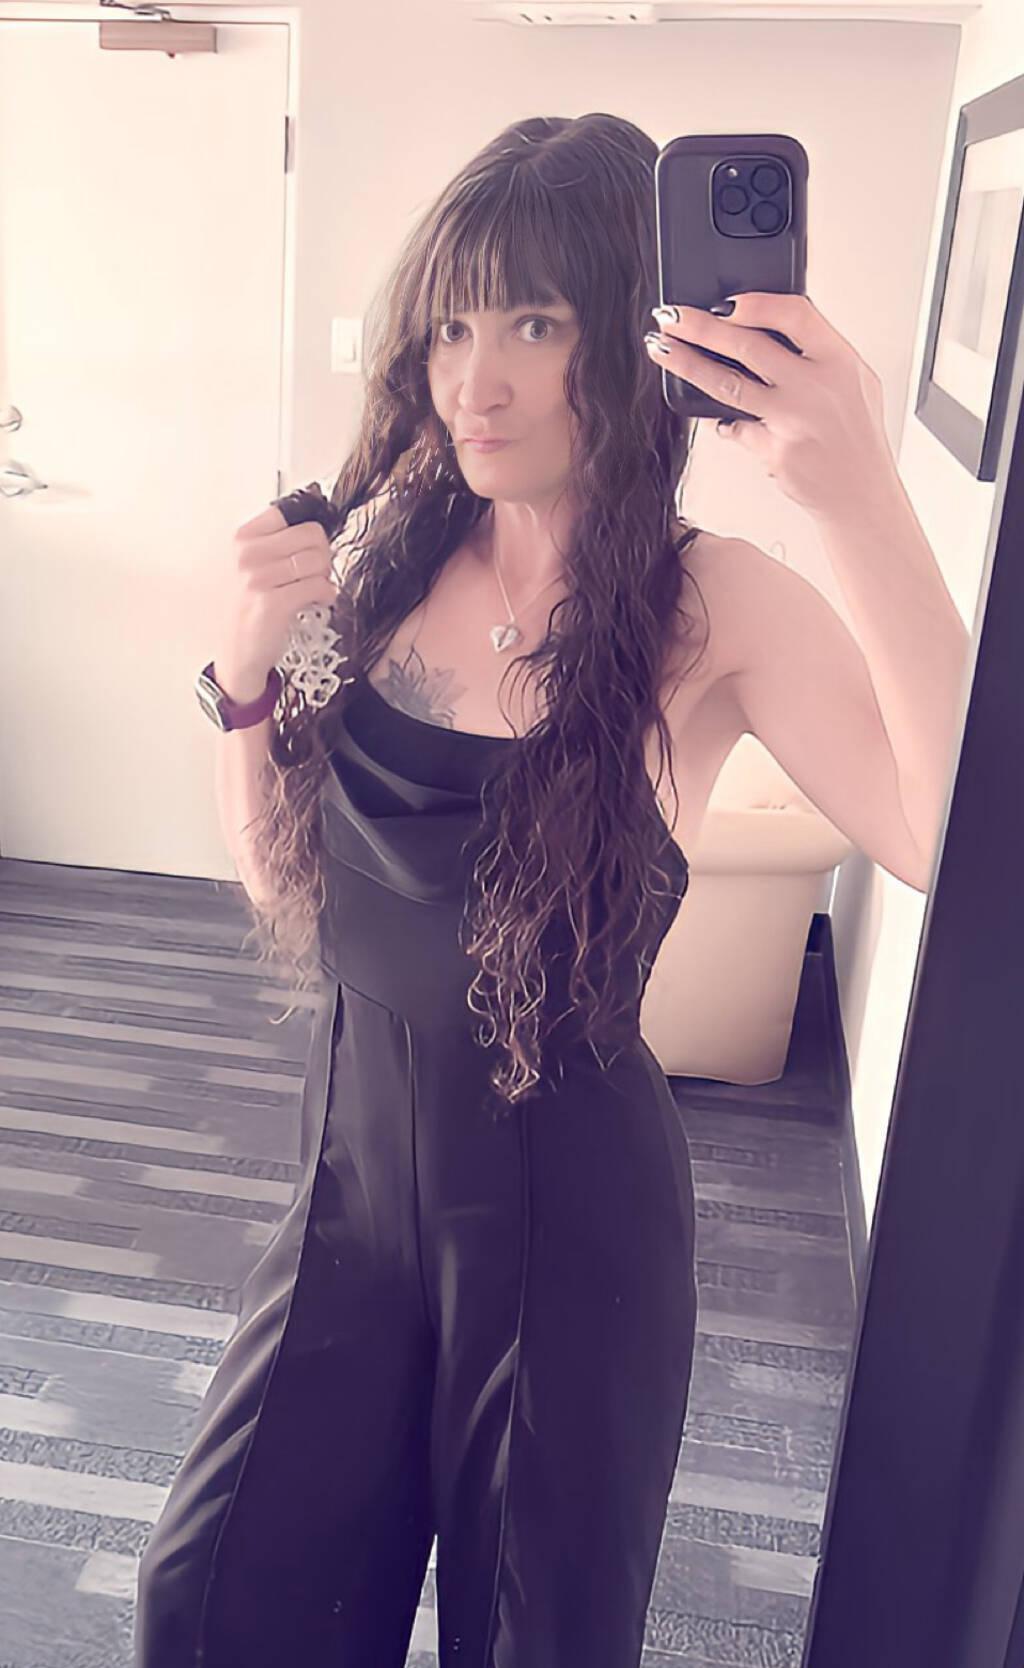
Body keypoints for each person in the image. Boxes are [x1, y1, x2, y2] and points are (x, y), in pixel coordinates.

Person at [135, 111, 723, 1668]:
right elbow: (288, 871)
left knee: (530, 1640)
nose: (479, 380)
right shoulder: (387, 563)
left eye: (537, 322)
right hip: (351, 1186)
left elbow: (948, 840)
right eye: (455, 327)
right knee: (208, 1603)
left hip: (570, 1228)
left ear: (636, 334)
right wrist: (247, 672)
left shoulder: (708, 603)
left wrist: (851, 474)